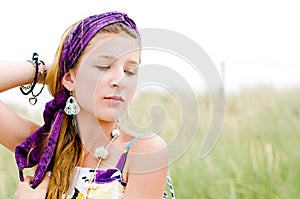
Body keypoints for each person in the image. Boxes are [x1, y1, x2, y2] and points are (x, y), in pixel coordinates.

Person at [0, 11, 174, 198]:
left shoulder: (143, 151)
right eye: (104, 66)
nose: (120, 80)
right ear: (69, 78)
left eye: (130, 70)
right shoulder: (49, 148)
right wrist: (48, 71)